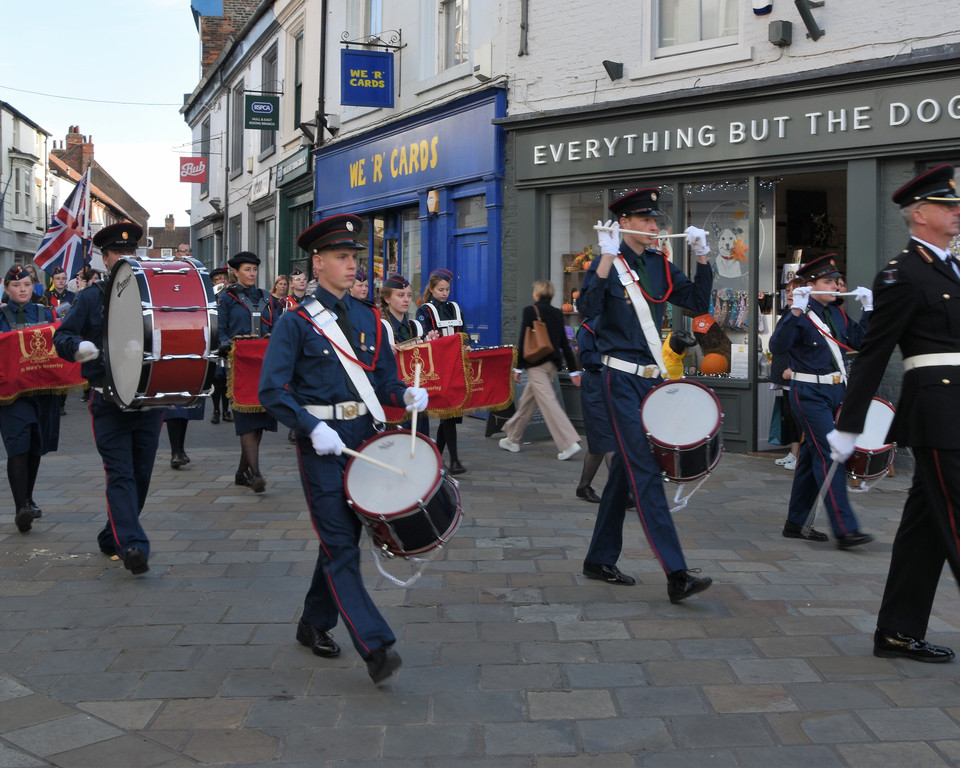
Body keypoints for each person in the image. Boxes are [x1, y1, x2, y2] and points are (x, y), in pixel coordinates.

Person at [259, 214, 428, 685]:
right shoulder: (296, 322)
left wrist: (405, 395)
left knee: (343, 539)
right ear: (318, 263)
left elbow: (384, 380)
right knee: (339, 544)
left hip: (364, 439)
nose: (353, 265)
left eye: (355, 257)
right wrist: (311, 426)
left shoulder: (370, 318)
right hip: (323, 444)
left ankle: (314, 621)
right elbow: (272, 391)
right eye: (342, 257)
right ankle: (376, 645)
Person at [829, 163, 960, 663]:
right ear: (920, 213)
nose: (956, 212)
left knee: (925, 529)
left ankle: (898, 631)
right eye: (947, 206)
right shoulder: (901, 275)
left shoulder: (950, 267)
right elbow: (875, 354)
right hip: (938, 412)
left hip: (954, 407)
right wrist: (849, 425)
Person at [578, 188, 714, 602]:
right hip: (617, 381)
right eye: (646, 220)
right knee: (646, 471)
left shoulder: (659, 264)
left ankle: (598, 558)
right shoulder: (609, 262)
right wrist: (604, 258)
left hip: (651, 381)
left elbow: (696, 302)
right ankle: (676, 572)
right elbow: (587, 307)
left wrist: (704, 258)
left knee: (625, 473)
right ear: (624, 224)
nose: (656, 227)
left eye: (656, 220)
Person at [53, 222, 161, 575]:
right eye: (119, 254)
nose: (126, 259)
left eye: (131, 253)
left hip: (146, 402)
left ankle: (110, 534)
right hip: (108, 400)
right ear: (105, 258)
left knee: (141, 476)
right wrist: (83, 349)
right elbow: (63, 338)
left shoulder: (152, 295)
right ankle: (133, 545)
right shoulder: (89, 297)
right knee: (121, 475)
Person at [769, 253, 874, 548]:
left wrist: (869, 310)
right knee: (830, 455)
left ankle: (796, 522)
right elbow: (777, 345)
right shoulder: (801, 313)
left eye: (836, 281)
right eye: (828, 281)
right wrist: (795, 312)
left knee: (812, 457)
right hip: (809, 393)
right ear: (811, 284)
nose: (836, 286)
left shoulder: (837, 313)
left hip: (834, 392)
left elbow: (859, 342)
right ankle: (845, 529)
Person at [0, 265, 61, 533]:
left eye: (26, 284)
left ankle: (28, 497)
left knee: (36, 444)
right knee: (18, 445)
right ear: (6, 289)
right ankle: (19, 507)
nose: (22, 289)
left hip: (42, 391)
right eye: (16, 285)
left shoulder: (47, 313)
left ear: (32, 286)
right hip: (12, 396)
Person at [217, 251, 281, 492]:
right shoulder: (226, 298)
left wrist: (272, 336)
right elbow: (220, 330)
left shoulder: (268, 298)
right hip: (240, 365)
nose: (252, 273)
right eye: (247, 269)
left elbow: (278, 326)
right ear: (236, 272)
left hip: (264, 364)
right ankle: (255, 473)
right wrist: (228, 344)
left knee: (259, 421)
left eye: (254, 269)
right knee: (246, 420)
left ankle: (241, 472)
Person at [499, 280, 582, 460]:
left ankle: (567, 442)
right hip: (552, 365)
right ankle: (513, 438)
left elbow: (523, 340)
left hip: (535, 365)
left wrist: (518, 368)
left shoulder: (530, 311)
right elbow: (564, 345)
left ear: (537, 294)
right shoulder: (557, 313)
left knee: (549, 402)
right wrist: (574, 370)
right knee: (528, 402)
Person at [416, 268, 468, 474]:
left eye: (447, 289)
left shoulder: (455, 308)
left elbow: (464, 332)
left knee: (451, 415)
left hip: (456, 365)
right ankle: (453, 460)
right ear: (431, 289)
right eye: (440, 289)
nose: (444, 293)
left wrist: (467, 343)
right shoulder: (424, 311)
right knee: (449, 414)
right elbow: (421, 338)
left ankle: (436, 456)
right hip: (438, 368)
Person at [771, 277, 805, 471]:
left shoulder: (804, 316)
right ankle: (793, 453)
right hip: (783, 372)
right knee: (789, 415)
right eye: (788, 290)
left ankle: (799, 455)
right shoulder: (788, 313)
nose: (790, 294)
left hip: (795, 374)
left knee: (797, 415)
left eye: (795, 291)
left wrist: (794, 368)